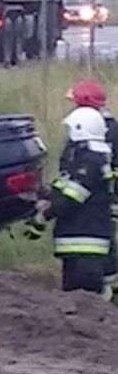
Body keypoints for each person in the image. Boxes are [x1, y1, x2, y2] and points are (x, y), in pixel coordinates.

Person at [25, 106, 115, 300]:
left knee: (88, 298)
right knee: (73, 299)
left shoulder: (90, 161)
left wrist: (43, 216)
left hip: (87, 241)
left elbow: (71, 198)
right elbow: (64, 187)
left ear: (80, 129)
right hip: (77, 242)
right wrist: (45, 193)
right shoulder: (86, 159)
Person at [66, 78, 118, 288]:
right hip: (105, 198)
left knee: (104, 250)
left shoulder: (90, 129)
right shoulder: (109, 126)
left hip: (99, 199)